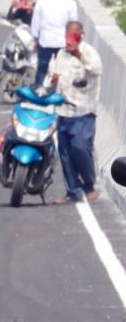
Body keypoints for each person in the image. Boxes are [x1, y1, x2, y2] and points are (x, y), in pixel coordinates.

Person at [46, 19, 102, 205]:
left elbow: (96, 69)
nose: (69, 39)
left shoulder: (88, 52)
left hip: (83, 111)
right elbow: (49, 80)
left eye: (74, 35)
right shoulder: (60, 55)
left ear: (80, 35)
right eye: (68, 35)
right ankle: (72, 191)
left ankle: (89, 185)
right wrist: (52, 81)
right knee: (66, 154)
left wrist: (78, 54)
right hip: (63, 111)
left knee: (80, 147)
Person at [30, 0, 78, 88]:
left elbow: (36, 20)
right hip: (62, 42)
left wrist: (35, 38)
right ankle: (56, 93)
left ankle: (38, 91)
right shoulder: (70, 3)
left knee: (42, 68)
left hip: (45, 40)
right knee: (60, 70)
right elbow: (74, 23)